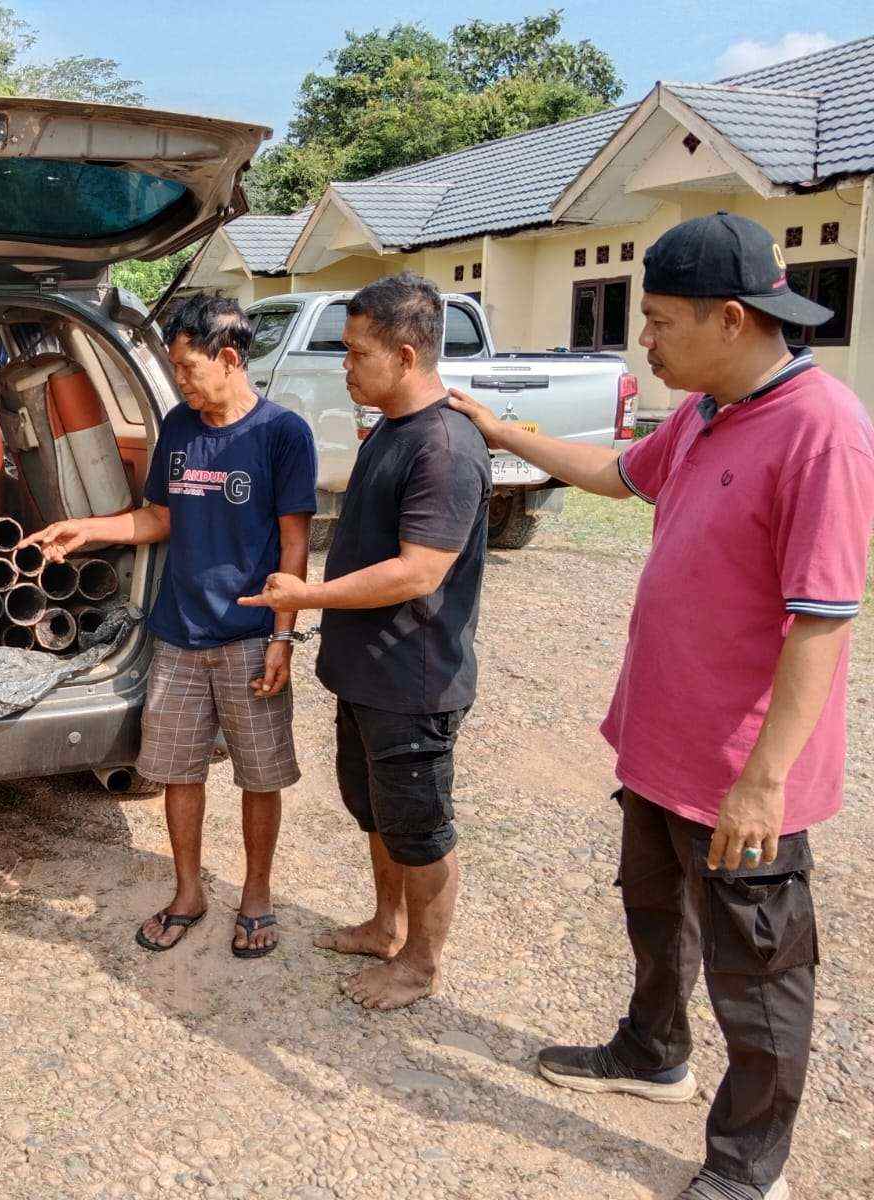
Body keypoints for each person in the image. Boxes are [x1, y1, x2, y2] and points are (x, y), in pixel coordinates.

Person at [448, 212, 874, 1200]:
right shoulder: (707, 409)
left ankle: (746, 1163)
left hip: (739, 773)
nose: (642, 340)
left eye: (658, 322)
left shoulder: (823, 431)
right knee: (653, 914)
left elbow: (820, 623)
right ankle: (653, 1053)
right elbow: (616, 474)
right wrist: (501, 430)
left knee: (760, 975)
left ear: (730, 319)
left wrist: (762, 786)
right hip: (659, 747)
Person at [23, 293, 316, 958]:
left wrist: (282, 637)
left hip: (249, 635)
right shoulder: (180, 428)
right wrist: (90, 530)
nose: (180, 381)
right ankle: (188, 893)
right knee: (179, 772)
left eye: (187, 367)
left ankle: (258, 897)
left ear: (230, 358)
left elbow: (294, 547)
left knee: (260, 775)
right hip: (178, 635)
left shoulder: (281, 434)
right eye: (176, 369)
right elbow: (160, 517)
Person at [242, 271, 491, 1011]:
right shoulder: (393, 424)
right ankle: (386, 926)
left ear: (407, 356)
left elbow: (420, 572)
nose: (344, 366)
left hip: (413, 682)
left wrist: (307, 595)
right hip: (367, 675)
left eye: (355, 353)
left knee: (420, 828)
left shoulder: (444, 446)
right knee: (375, 811)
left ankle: (420, 964)